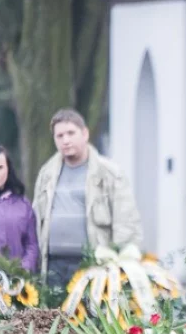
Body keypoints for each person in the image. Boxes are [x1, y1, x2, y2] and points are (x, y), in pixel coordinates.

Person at [33, 108, 142, 287]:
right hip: (53, 264)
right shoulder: (46, 174)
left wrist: (121, 266)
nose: (65, 140)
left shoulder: (110, 173)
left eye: (71, 133)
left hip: (93, 264)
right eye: (59, 136)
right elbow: (37, 218)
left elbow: (126, 222)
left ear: (85, 134)